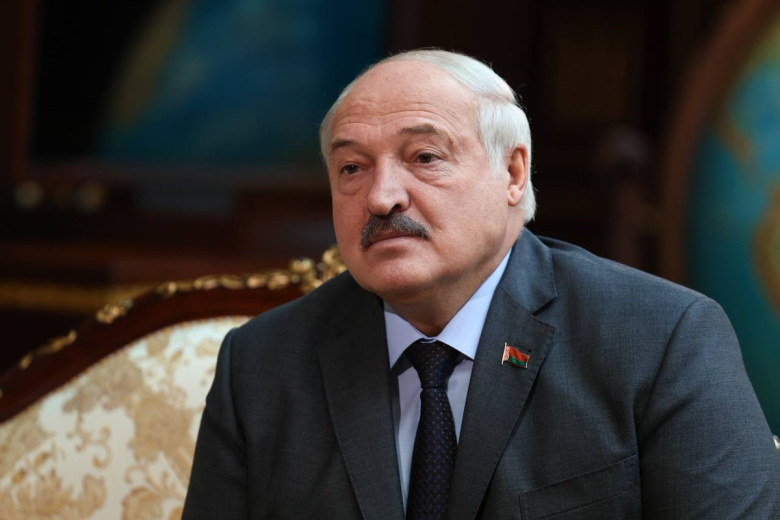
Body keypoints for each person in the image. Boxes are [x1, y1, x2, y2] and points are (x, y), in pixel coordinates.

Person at [182, 49, 779, 519]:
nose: (382, 197)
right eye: (352, 168)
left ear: (513, 172)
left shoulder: (659, 339)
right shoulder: (260, 364)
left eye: (425, 157)